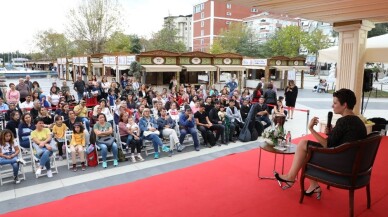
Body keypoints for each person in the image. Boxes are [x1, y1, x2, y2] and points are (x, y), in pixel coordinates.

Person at [274, 89, 367, 197]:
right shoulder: (358, 121)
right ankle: (312, 185)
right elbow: (345, 139)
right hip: (354, 163)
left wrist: (311, 129)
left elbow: (328, 145)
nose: (333, 106)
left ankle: (291, 177)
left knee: (304, 146)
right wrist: (332, 133)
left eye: (335, 103)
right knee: (306, 147)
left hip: (342, 164)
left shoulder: (343, 121)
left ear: (344, 105)